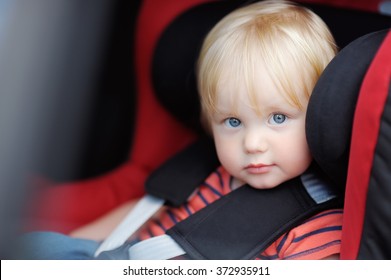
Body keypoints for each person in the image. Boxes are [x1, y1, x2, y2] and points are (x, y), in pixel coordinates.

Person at [15, 0, 342, 260]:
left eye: (279, 118)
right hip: (122, 256)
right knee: (38, 246)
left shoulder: (318, 228)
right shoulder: (209, 174)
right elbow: (144, 212)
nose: (253, 143)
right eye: (232, 122)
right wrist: (74, 244)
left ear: (320, 116)